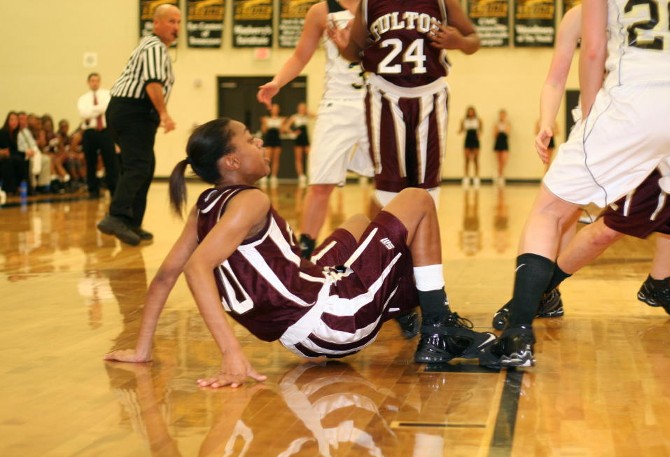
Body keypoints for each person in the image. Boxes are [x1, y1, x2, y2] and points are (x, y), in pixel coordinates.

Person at [103, 118, 495, 387]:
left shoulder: (204, 207)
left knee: (358, 221)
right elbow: (195, 269)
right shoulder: (251, 201)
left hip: (303, 330)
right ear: (232, 162)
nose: (260, 141)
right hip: (333, 320)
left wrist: (143, 348)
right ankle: (438, 327)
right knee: (417, 198)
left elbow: (165, 276)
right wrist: (231, 353)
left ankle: (402, 306)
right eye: (250, 139)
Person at [479, 0, 670, 369]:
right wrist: (547, 120)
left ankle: (523, 322)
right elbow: (555, 78)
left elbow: (594, 52)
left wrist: (591, 116)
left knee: (556, 213)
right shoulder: (573, 18)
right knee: (586, 221)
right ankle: (546, 293)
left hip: (626, 112)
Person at [331, 0, 480, 207]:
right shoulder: (369, 3)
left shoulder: (442, 2)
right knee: (388, 184)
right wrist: (344, 47)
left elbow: (474, 39)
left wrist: (460, 42)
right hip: (384, 94)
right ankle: (388, 228)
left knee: (427, 184)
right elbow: (356, 51)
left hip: (430, 95)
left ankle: (423, 227)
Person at [256, 0, 375, 260]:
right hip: (338, 102)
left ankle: (383, 248)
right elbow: (300, 55)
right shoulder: (321, 11)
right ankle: (304, 255)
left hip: (380, 99)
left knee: (388, 182)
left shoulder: (382, 4)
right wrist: (277, 82)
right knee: (321, 183)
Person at [97, 4, 181, 246]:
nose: (176, 27)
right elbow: (152, 83)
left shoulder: (157, 48)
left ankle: (132, 222)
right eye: (171, 21)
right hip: (132, 111)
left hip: (134, 113)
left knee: (145, 165)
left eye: (178, 22)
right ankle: (116, 217)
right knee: (138, 166)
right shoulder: (154, 47)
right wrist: (164, 114)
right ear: (156, 23)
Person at [78, 72, 119, 199]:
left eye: (97, 80)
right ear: (88, 82)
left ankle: (113, 189)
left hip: (106, 131)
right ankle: (93, 190)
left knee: (110, 161)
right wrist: (99, 109)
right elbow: (84, 114)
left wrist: (91, 110)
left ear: (99, 82)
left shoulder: (107, 94)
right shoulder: (83, 98)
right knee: (90, 162)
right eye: (92, 81)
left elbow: (107, 107)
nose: (94, 83)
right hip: (90, 132)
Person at [283, 101, 313, 186]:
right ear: (298, 109)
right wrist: (293, 133)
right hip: (298, 139)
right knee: (298, 158)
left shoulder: (307, 116)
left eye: (304, 108)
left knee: (311, 156)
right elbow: (286, 127)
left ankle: (312, 174)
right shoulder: (295, 117)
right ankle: (301, 176)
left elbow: (317, 116)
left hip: (306, 139)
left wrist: (308, 112)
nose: (302, 109)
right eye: (301, 108)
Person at [259, 103, 285, 188]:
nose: (275, 110)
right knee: (267, 159)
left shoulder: (281, 119)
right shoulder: (266, 119)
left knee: (276, 159)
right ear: (271, 110)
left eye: (277, 109)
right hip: (269, 139)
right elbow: (264, 130)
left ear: (279, 110)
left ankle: (274, 177)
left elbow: (282, 131)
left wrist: (282, 125)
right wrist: (264, 123)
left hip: (277, 139)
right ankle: (264, 176)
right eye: (274, 108)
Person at [458, 105, 482, 188]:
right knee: (467, 159)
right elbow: (461, 130)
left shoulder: (478, 120)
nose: (471, 113)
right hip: (468, 139)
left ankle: (476, 177)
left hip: (475, 140)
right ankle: (466, 177)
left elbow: (481, 130)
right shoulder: (464, 120)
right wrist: (459, 130)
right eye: (469, 111)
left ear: (474, 112)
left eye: (472, 111)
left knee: (476, 159)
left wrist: (479, 135)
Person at [492, 109, 510, 187]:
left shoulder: (508, 124)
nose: (502, 116)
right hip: (498, 142)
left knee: (503, 160)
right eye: (501, 115)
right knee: (499, 161)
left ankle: (500, 175)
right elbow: (494, 135)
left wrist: (504, 125)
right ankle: (499, 176)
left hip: (504, 142)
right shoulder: (496, 124)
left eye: (503, 115)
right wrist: (498, 127)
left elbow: (508, 133)